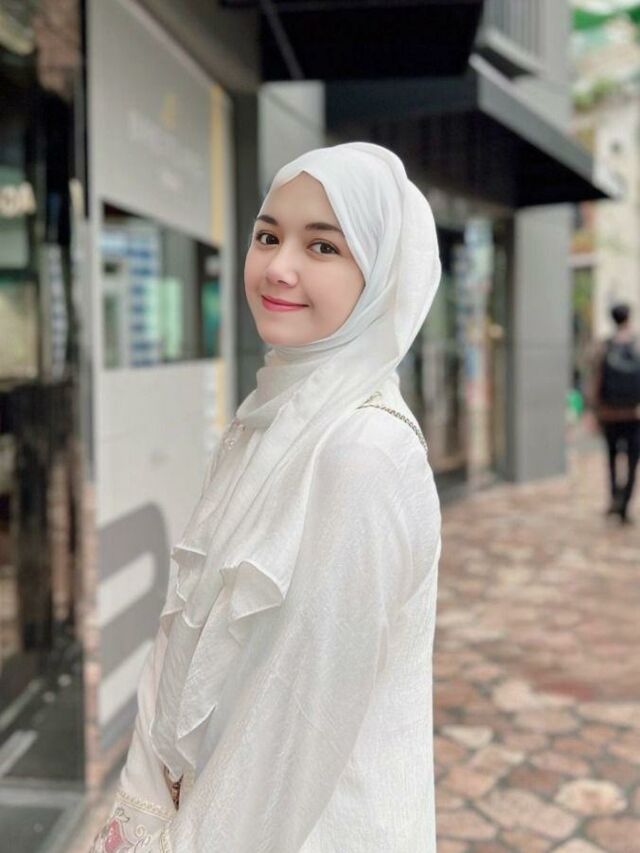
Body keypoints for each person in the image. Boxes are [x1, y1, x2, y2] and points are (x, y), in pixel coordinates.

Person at [90, 142, 442, 852]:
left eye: (323, 246)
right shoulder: (271, 421)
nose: (279, 266)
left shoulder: (362, 455)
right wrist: (140, 812)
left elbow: (293, 738)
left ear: (379, 276)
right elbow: (178, 634)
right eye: (267, 235)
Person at [589, 302, 640, 524]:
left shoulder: (604, 346)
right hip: (634, 414)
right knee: (632, 462)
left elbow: (595, 379)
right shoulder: (637, 344)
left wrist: (594, 410)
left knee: (611, 459)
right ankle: (625, 505)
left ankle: (613, 500)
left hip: (609, 414)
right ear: (628, 318)